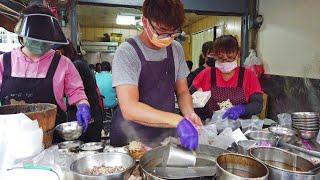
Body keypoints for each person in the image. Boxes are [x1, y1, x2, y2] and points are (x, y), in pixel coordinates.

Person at [111, 0, 202, 150]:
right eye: (161, 31)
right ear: (145, 22)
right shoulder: (127, 52)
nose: (167, 37)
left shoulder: (176, 49)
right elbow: (129, 107)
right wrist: (178, 121)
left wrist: (189, 114)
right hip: (131, 137)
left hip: (165, 133)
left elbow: (183, 91)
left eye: (172, 32)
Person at [0, 5, 91, 143]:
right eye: (36, 38)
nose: (41, 44)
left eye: (45, 40)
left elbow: (77, 93)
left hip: (52, 141)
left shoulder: (63, 63)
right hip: (11, 143)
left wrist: (83, 105)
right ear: (22, 34)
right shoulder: (4, 62)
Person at [192, 35, 263, 120]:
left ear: (237, 54)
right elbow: (187, 97)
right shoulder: (206, 74)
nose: (225, 62)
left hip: (240, 129)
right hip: (211, 127)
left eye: (229, 58)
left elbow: (257, 105)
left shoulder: (248, 75)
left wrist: (242, 109)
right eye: (221, 58)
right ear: (215, 56)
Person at [54, 42, 104, 142]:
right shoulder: (79, 62)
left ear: (59, 52)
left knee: (86, 147)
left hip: (87, 114)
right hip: (90, 111)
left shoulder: (75, 65)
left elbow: (70, 90)